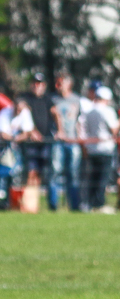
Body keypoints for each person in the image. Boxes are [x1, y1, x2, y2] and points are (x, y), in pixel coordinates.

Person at [81, 86, 120, 213]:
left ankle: (89, 203)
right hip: (105, 149)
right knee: (102, 178)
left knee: (92, 178)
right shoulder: (107, 111)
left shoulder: (88, 111)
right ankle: (98, 204)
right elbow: (114, 130)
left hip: (91, 149)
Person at [19, 73, 52, 207]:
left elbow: (55, 113)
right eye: (34, 83)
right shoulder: (25, 98)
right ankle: (28, 203)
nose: (36, 86)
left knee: (40, 174)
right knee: (31, 172)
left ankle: (34, 204)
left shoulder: (48, 99)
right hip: (31, 142)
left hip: (45, 141)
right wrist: (32, 131)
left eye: (39, 83)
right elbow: (23, 114)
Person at [50, 74, 83, 212]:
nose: (58, 85)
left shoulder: (76, 99)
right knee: (55, 171)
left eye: (61, 82)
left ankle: (74, 206)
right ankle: (53, 205)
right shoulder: (53, 99)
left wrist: (80, 138)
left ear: (69, 84)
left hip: (73, 140)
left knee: (73, 173)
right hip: (58, 141)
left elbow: (79, 121)